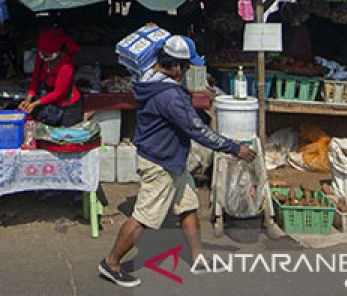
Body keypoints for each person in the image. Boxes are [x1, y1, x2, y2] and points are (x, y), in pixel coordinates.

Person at [99, 36, 257, 288]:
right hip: (160, 161)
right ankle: (112, 262)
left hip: (170, 157)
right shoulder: (170, 96)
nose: (186, 72)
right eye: (184, 67)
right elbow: (197, 130)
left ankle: (198, 258)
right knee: (144, 217)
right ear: (173, 66)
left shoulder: (147, 76)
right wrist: (233, 148)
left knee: (188, 205)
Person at [18, 28, 83, 127]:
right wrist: (28, 99)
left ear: (58, 51)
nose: (44, 57)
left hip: (69, 107)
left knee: (65, 137)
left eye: (48, 55)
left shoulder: (66, 64)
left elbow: (58, 92)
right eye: (42, 53)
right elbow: (35, 78)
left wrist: (34, 104)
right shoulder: (42, 56)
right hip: (50, 104)